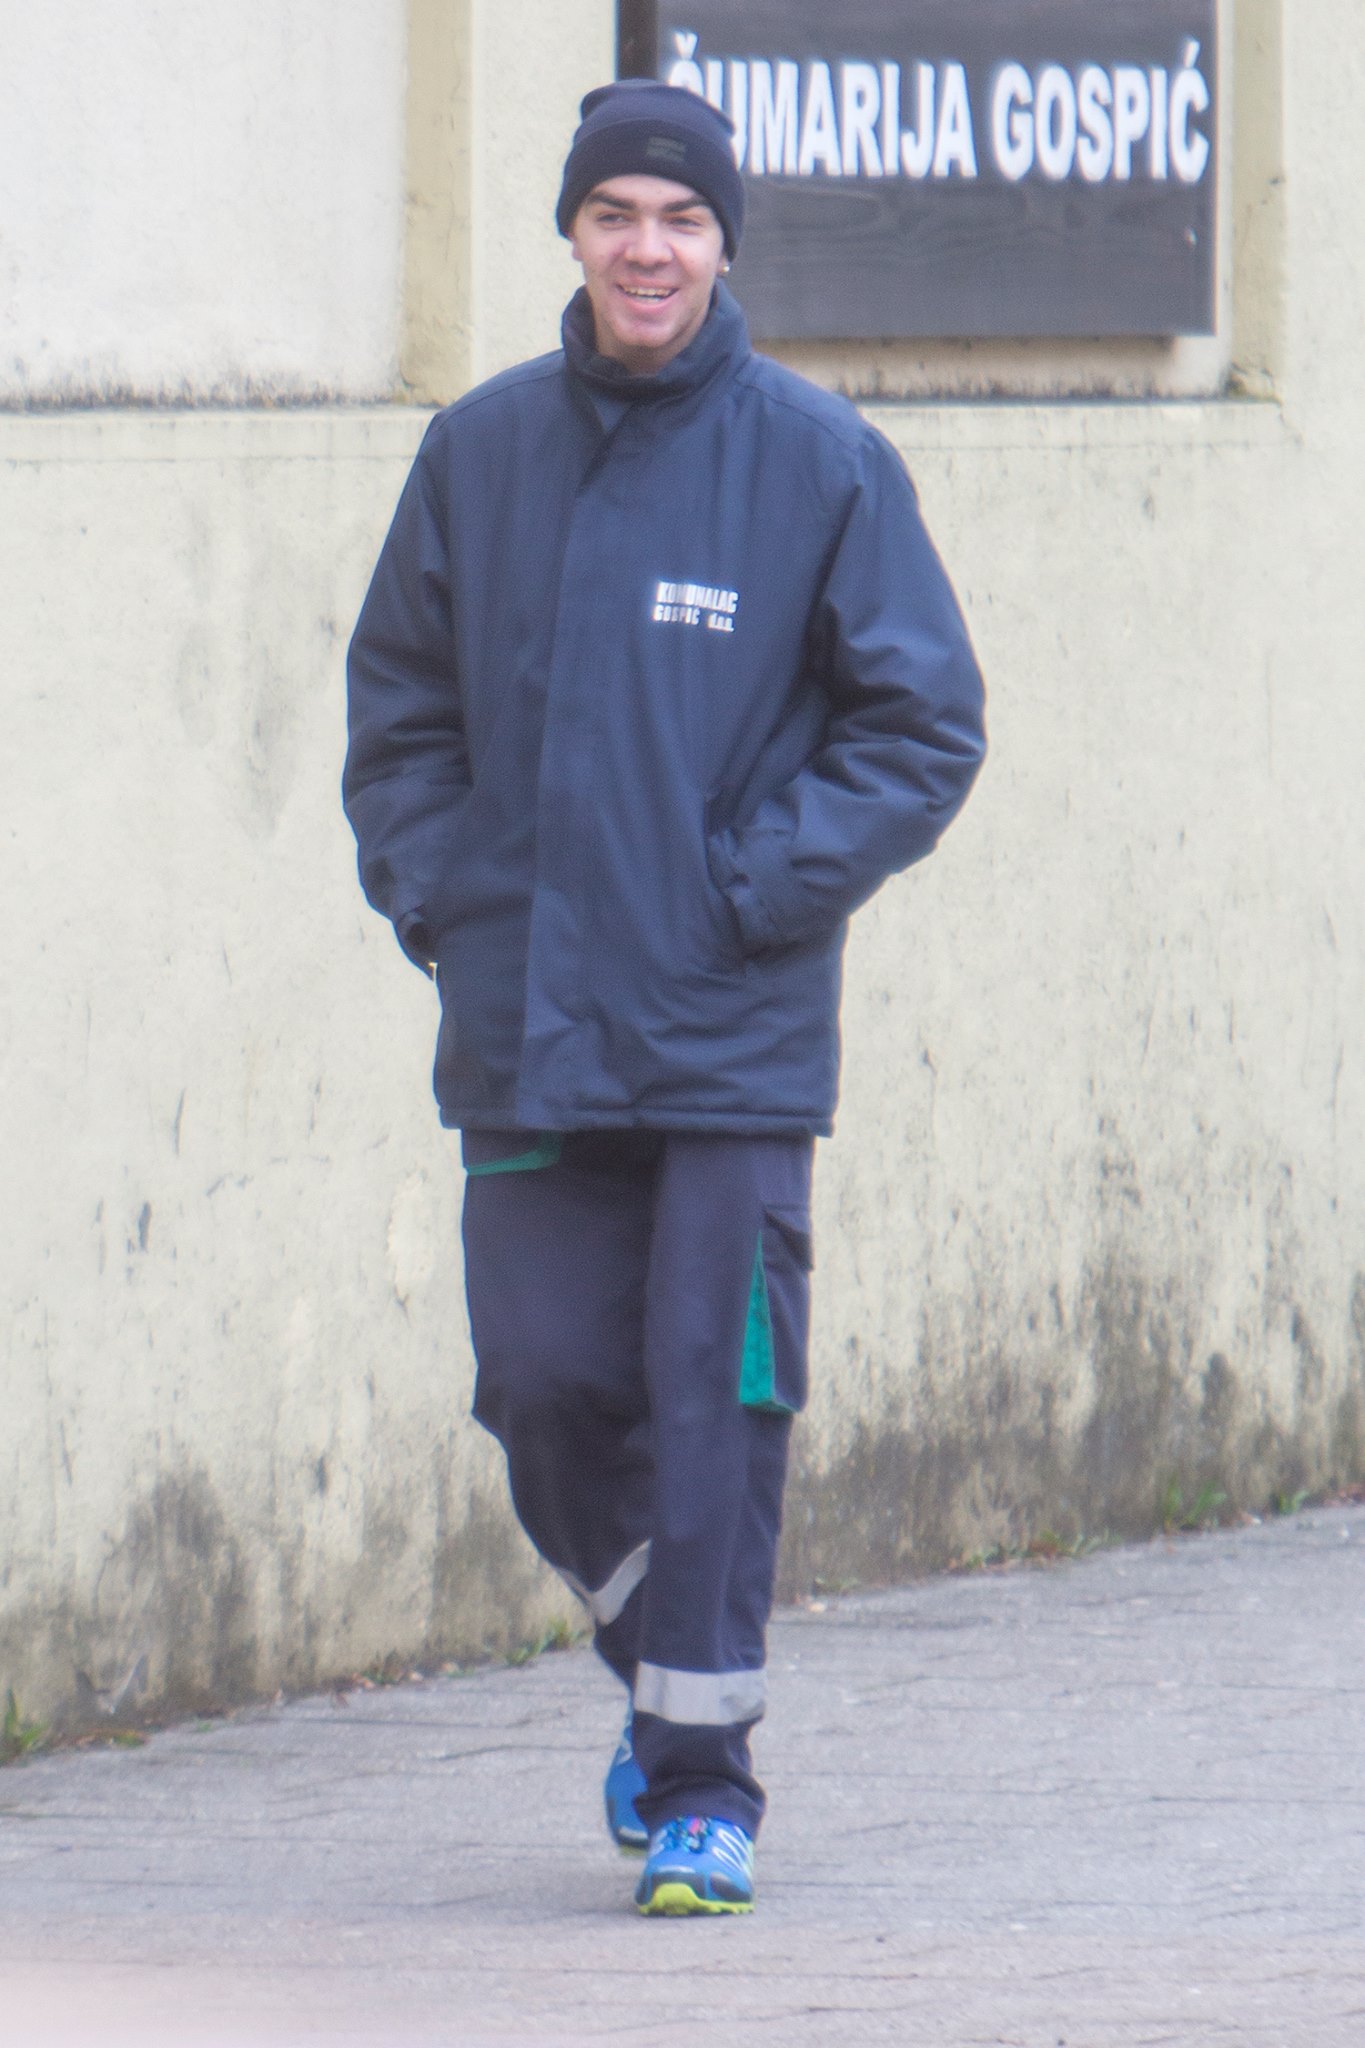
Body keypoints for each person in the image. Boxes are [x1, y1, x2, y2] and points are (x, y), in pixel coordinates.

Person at [344, 78, 985, 1917]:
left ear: (722, 244)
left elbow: (921, 726)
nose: (647, 248)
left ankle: (706, 1788)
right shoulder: (477, 451)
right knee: (542, 1387)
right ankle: (659, 1677)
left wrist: (746, 894)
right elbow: (400, 715)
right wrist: (448, 903)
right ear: (571, 232)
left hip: (727, 1047)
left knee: (714, 1412)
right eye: (615, 213)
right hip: (526, 1032)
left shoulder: (818, 462)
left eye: (681, 219)